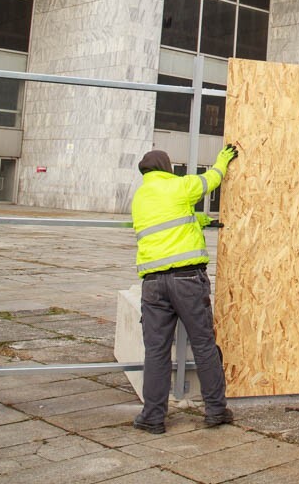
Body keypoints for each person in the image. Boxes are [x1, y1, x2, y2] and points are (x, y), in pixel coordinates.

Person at [130, 145, 237, 434]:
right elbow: (211, 180)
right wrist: (222, 160)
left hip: (153, 284)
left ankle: (152, 417)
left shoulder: (140, 197)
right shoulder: (178, 186)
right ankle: (215, 410)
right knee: (203, 344)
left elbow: (167, 224)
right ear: (167, 169)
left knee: (156, 351)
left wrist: (196, 221)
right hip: (187, 280)